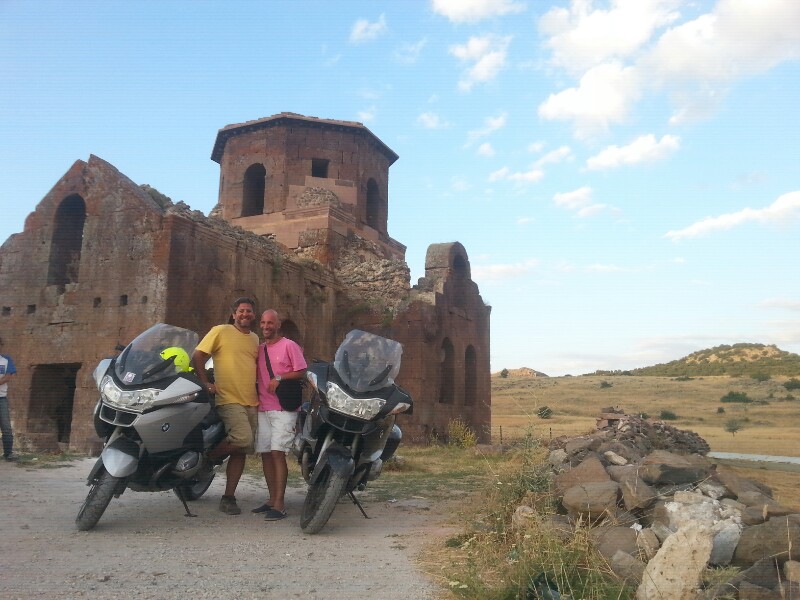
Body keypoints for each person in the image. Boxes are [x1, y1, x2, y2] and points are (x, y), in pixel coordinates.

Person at [191, 298, 260, 515]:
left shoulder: (255, 339)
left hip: (251, 401)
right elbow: (198, 355)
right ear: (234, 314)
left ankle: (228, 497)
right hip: (228, 398)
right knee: (242, 438)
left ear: (253, 315)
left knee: (240, 451)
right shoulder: (220, 331)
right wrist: (205, 382)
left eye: (249, 311)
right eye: (241, 311)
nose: (245, 314)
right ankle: (208, 460)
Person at [252, 309, 307, 521]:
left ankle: (280, 504)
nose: (266, 326)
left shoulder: (289, 345)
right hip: (264, 407)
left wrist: (280, 378)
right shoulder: (260, 349)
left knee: (277, 453)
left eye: (270, 323)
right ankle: (271, 499)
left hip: (284, 408)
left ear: (278, 325)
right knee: (266, 453)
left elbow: (301, 370)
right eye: (263, 323)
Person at [0, 337, 17, 461]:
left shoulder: (6, 360)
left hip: (1, 398)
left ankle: (8, 454)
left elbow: (8, 376)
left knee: (6, 427)